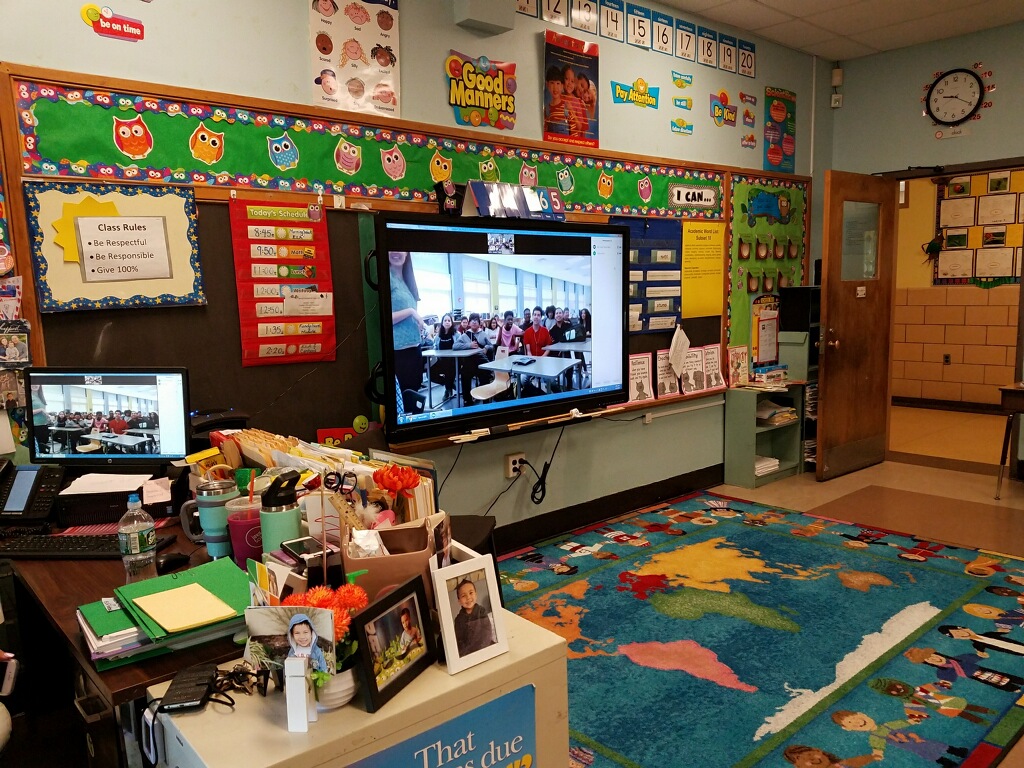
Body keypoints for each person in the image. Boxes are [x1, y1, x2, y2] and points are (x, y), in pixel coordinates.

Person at [389, 251, 426, 393]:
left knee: (414, 396)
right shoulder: (388, 279)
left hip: (414, 349)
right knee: (403, 401)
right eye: (391, 248)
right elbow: (384, 318)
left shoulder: (407, 281)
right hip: (399, 352)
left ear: (407, 254)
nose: (395, 252)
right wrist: (411, 312)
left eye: (400, 249)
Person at [453, 312, 492, 406]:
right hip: (469, 363)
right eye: (472, 320)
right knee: (464, 375)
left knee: (485, 376)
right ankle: (467, 400)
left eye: (476, 320)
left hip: (482, 362)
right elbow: (455, 346)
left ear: (479, 323)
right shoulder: (465, 335)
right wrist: (468, 345)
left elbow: (491, 345)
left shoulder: (484, 334)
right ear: (469, 323)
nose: (474, 322)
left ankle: (485, 400)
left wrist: (486, 348)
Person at [453, 578, 495, 656]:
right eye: (463, 596)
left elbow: (487, 631)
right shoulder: (458, 620)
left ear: (476, 594)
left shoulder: (481, 611)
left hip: (484, 644)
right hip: (469, 651)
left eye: (471, 593)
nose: (468, 597)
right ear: (459, 601)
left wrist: (482, 649)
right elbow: (459, 640)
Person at [430, 313, 457, 401]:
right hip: (441, 361)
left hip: (453, 362)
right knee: (429, 373)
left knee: (449, 369)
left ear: (452, 323)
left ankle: (448, 389)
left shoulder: (457, 334)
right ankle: (449, 384)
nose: (447, 322)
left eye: (449, 320)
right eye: (445, 320)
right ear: (442, 323)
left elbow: (460, 346)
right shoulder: (438, 336)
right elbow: (435, 348)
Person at [543, 66, 568, 136]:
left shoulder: (566, 106)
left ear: (562, 86)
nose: (555, 87)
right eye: (552, 83)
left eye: (558, 83)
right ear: (547, 84)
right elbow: (545, 130)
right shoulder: (546, 110)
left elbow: (573, 128)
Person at [30, 384, 48, 455]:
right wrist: (41, 410)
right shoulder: (29, 396)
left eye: (37, 383)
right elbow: (27, 412)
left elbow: (43, 410)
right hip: (35, 425)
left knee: (44, 445)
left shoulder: (41, 397)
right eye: (33, 383)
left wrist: (48, 415)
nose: (35, 385)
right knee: (38, 447)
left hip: (44, 424)